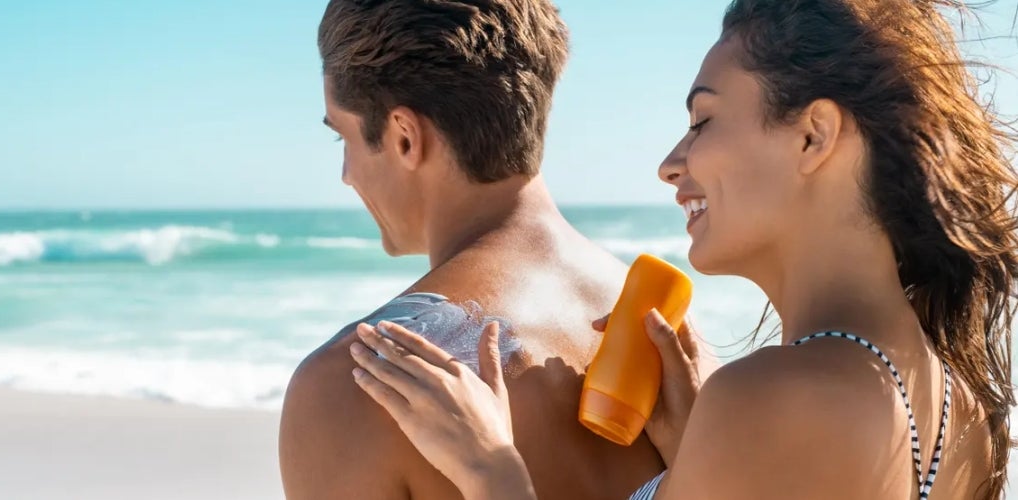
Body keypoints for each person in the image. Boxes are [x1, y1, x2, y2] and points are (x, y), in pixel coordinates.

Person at [346, 0, 1017, 498]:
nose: (671, 163)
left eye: (702, 120)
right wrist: (701, 448)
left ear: (812, 137)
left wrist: (490, 467)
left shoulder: (765, 398)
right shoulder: (964, 411)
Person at [278, 1, 715, 499]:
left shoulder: (355, 385)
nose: (346, 174)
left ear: (404, 137)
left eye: (344, 138)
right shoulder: (665, 332)